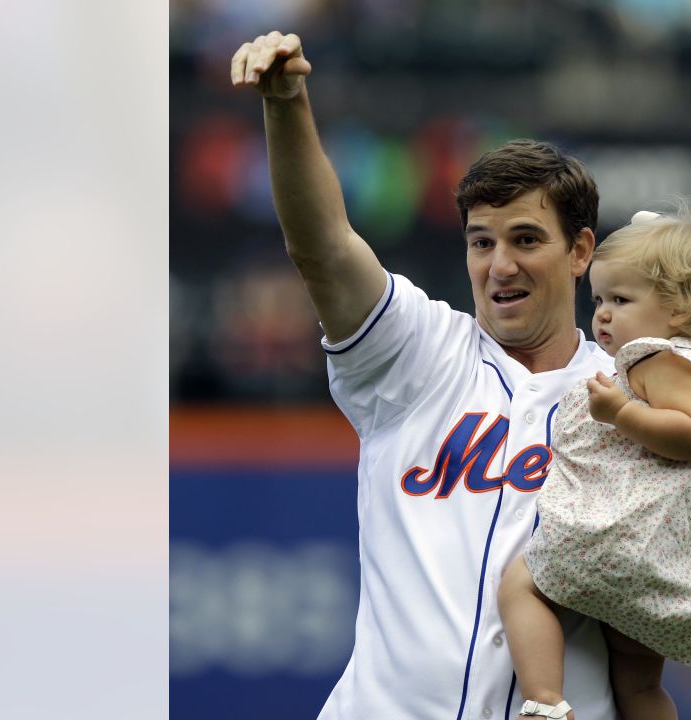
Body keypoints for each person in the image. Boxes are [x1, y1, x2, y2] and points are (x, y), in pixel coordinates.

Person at [230, 31, 620, 720]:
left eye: (526, 239)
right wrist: (287, 104)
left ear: (580, 250)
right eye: (482, 242)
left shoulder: (633, 396)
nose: (500, 265)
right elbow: (321, 247)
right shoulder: (419, 352)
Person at [497, 200, 691, 720]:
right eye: (600, 298)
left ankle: (542, 702)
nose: (603, 313)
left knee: (522, 584)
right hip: (655, 557)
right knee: (638, 683)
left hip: (630, 543)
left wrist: (621, 413)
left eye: (622, 299)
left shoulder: (659, 357)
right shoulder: (679, 362)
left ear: (677, 309)